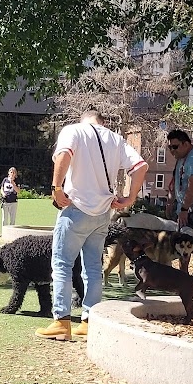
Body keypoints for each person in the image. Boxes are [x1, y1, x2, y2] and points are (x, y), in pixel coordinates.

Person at [37, 110, 148, 341]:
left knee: (62, 265)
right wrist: (130, 197)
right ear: (103, 122)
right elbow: (140, 166)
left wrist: (57, 188)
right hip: (102, 214)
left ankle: (62, 322)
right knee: (93, 269)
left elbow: (64, 154)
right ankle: (89, 322)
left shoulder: (73, 130)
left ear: (83, 120)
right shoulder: (116, 139)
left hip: (76, 208)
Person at [166, 129, 193, 281]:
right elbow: (176, 183)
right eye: (169, 147)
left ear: (186, 144)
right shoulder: (181, 159)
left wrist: (184, 209)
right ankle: (183, 278)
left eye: (175, 147)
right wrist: (171, 201)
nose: (172, 150)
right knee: (182, 242)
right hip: (182, 209)